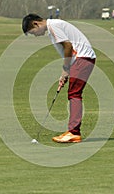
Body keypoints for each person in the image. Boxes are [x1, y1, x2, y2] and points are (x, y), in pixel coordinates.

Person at [22, 14, 96, 143]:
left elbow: (68, 46)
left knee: (74, 93)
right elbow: (68, 49)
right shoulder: (53, 27)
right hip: (81, 59)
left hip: (82, 58)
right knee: (74, 93)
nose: (36, 35)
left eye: (33, 32)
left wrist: (66, 68)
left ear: (36, 24)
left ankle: (74, 132)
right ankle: (73, 131)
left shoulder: (53, 26)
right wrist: (66, 72)